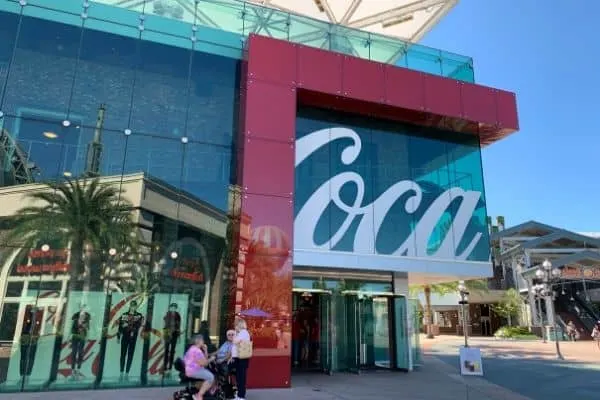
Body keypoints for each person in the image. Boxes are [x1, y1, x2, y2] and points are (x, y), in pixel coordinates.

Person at [183, 334, 216, 400]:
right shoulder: (197, 351)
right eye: (202, 340)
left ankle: (200, 392)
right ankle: (199, 395)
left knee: (207, 374)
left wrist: (205, 350)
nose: (203, 341)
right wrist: (211, 359)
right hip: (194, 371)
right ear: (199, 341)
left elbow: (204, 360)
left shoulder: (192, 348)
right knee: (211, 377)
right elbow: (204, 363)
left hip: (190, 370)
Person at [232, 318, 251, 400]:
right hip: (239, 357)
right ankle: (239, 395)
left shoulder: (243, 333)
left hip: (242, 358)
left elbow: (235, 342)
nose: (234, 326)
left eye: (235, 324)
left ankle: (241, 396)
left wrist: (235, 334)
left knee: (241, 377)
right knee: (239, 377)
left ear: (239, 325)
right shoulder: (240, 333)